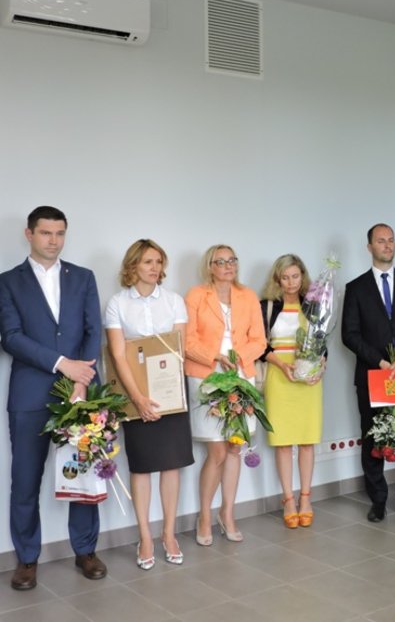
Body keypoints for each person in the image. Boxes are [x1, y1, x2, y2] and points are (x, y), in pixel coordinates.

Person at [0, 206, 105, 590]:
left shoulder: (83, 277)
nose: (54, 240)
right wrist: (64, 365)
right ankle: (27, 559)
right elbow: (11, 337)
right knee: (25, 480)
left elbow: (93, 331)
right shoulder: (7, 282)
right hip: (30, 396)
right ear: (29, 234)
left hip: (81, 393)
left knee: (82, 474)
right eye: (46, 233)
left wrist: (83, 381)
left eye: (60, 233)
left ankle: (86, 550)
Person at [104, 239, 193, 569]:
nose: (155, 268)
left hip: (171, 391)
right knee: (141, 466)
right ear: (132, 266)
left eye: (158, 262)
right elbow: (118, 354)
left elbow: (177, 350)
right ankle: (144, 537)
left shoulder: (174, 301)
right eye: (147, 262)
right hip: (133, 393)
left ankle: (169, 534)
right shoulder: (117, 303)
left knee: (171, 464)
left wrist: (164, 397)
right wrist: (138, 398)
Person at [342, 223, 395, 522]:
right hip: (373, 375)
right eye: (381, 241)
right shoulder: (356, 288)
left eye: (391, 240)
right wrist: (380, 362)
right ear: (369, 247)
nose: (387, 245)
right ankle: (378, 500)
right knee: (372, 437)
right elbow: (349, 334)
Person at [185, 245, 267, 545]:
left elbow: (260, 340)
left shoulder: (248, 296)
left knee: (234, 447)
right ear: (210, 266)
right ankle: (204, 516)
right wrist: (216, 357)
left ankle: (227, 513)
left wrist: (238, 357)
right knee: (217, 451)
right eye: (220, 261)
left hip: (241, 374)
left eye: (232, 260)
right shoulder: (196, 295)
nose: (228, 265)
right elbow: (187, 340)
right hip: (207, 377)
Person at [260, 254, 324, 529]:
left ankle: (306, 498)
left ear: (303, 276)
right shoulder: (266, 306)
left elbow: (322, 342)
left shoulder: (314, 305)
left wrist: (321, 366)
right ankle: (288, 499)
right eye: (285, 277)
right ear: (277, 279)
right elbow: (259, 346)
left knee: (307, 440)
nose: (290, 282)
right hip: (279, 377)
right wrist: (281, 365)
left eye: (295, 276)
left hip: (308, 380)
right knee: (283, 442)